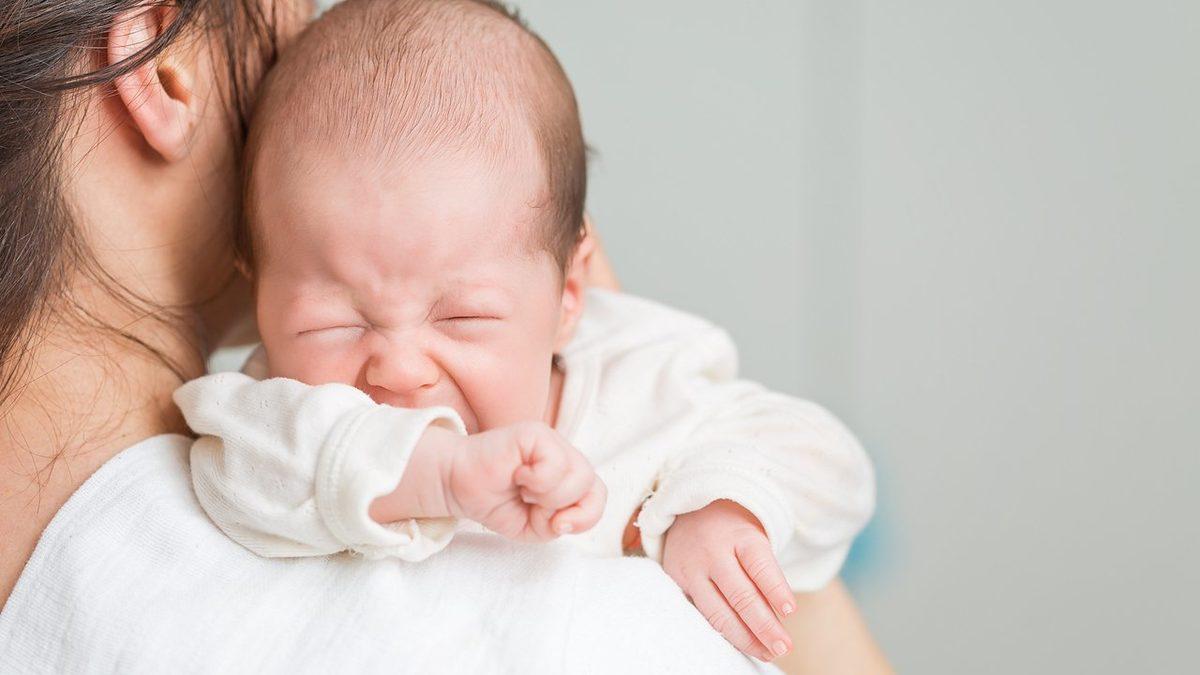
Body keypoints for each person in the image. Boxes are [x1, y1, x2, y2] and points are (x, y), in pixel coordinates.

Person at [0, 1, 891, 672]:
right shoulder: (256, 420)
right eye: (335, 319)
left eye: (462, 316)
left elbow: (809, 450)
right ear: (160, 68)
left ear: (567, 291)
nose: (396, 365)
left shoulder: (634, 362)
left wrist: (723, 499)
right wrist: (438, 472)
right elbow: (263, 463)